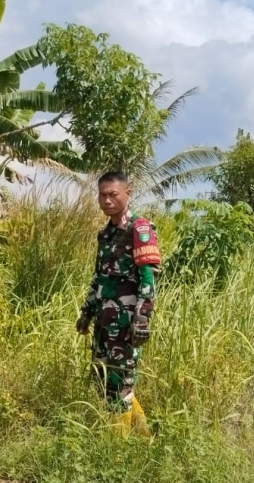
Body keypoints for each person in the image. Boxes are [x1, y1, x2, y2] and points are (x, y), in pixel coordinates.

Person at [75, 171, 160, 422]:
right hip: (104, 320)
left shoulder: (139, 228)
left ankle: (118, 448)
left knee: (122, 381)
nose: (107, 200)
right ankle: (144, 438)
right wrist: (87, 312)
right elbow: (99, 278)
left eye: (113, 194)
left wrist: (142, 319)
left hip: (126, 323)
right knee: (105, 380)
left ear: (127, 193)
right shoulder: (105, 235)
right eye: (102, 195)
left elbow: (148, 278)